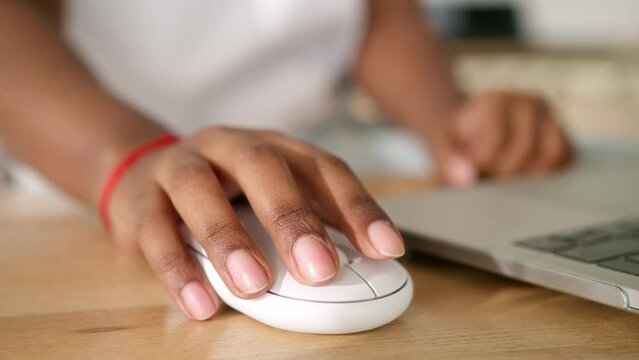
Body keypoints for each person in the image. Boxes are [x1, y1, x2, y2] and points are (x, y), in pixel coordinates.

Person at [0, 0, 570, 321]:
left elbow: (381, 15)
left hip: (320, 172)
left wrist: (454, 127)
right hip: (82, 158)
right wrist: (125, 156)